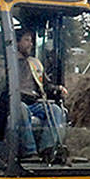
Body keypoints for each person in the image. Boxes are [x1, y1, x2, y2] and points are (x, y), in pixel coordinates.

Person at [14, 26, 68, 158]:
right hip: (13, 103)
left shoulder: (35, 63)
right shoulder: (6, 63)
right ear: (16, 42)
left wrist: (58, 89)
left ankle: (47, 149)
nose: (31, 44)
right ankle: (30, 152)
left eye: (32, 41)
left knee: (56, 110)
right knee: (21, 109)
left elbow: (45, 85)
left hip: (34, 103)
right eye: (27, 40)